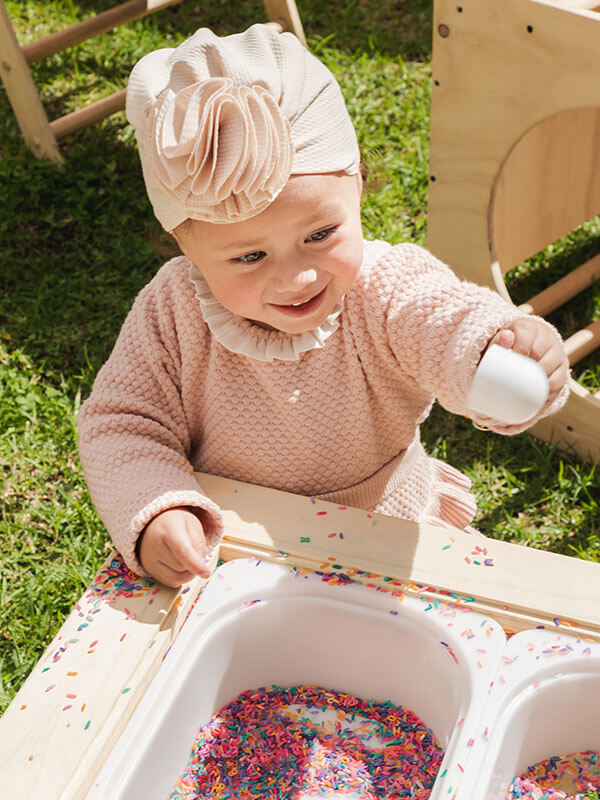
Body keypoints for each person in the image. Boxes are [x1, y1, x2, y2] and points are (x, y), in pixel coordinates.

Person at [78, 24, 570, 588]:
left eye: (320, 235)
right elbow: (123, 423)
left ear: (356, 185)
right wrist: (160, 506)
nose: (297, 277)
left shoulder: (383, 288)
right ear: (184, 245)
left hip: (384, 536)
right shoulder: (173, 311)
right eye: (249, 257)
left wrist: (493, 349)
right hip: (235, 553)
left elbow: (440, 319)